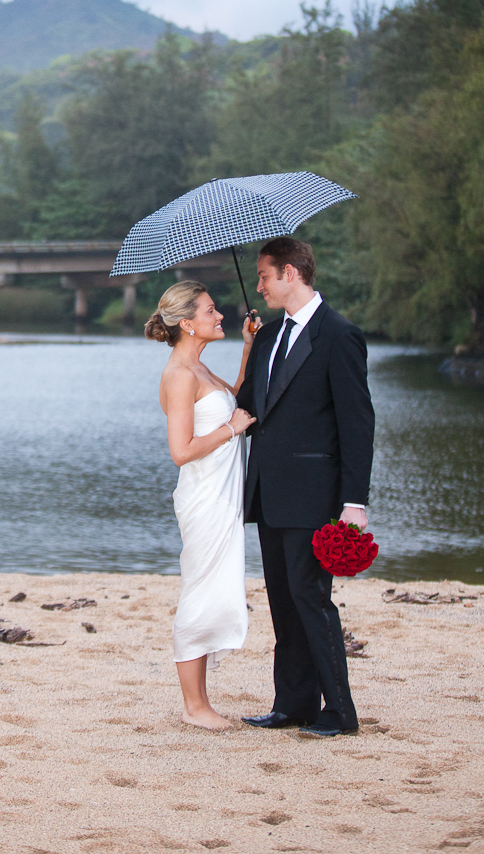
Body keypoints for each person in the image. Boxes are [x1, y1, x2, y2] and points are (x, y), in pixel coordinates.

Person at [236, 237, 375, 738]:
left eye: (265, 276)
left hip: (316, 494)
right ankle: (293, 704)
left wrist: (354, 502)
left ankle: (339, 711)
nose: (260, 286)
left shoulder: (339, 335)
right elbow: (250, 408)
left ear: (290, 273)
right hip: (269, 492)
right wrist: (248, 346)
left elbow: (357, 423)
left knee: (311, 598)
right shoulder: (269, 336)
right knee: (282, 599)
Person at [146, 280, 259, 730]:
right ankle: (193, 707)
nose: (220, 316)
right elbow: (181, 450)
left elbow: (236, 403)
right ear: (188, 323)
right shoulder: (179, 374)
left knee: (216, 588)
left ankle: (201, 702)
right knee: (200, 589)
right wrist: (231, 430)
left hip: (224, 493)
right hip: (205, 496)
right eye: (211, 310)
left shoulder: (200, 368)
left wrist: (248, 347)